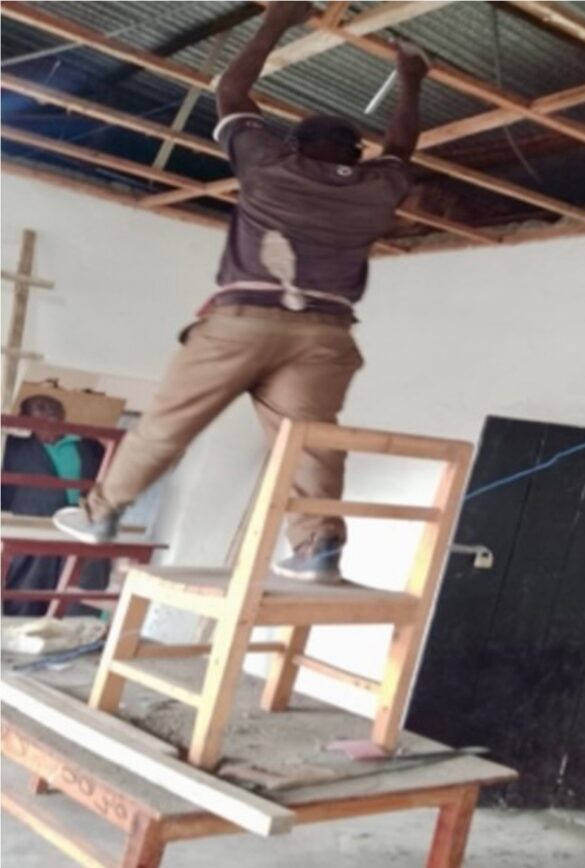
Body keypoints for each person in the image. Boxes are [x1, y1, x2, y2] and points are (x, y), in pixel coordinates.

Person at [53, 1, 428, 584]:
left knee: (168, 422)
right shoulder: (380, 188)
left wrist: (279, 19)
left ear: (297, 143)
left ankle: (102, 515)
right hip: (326, 335)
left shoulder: (270, 163)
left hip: (242, 322)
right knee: (311, 445)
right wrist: (411, 78)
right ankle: (318, 549)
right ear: (358, 155)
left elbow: (232, 88)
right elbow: (402, 146)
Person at [2, 395, 110, 615]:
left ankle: (78, 640)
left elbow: (108, 476)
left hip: (79, 528)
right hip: (32, 529)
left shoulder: (88, 445)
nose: (49, 411)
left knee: (79, 591)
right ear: (24, 417)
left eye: (55, 407)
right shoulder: (12, 445)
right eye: (40, 408)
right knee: (27, 593)